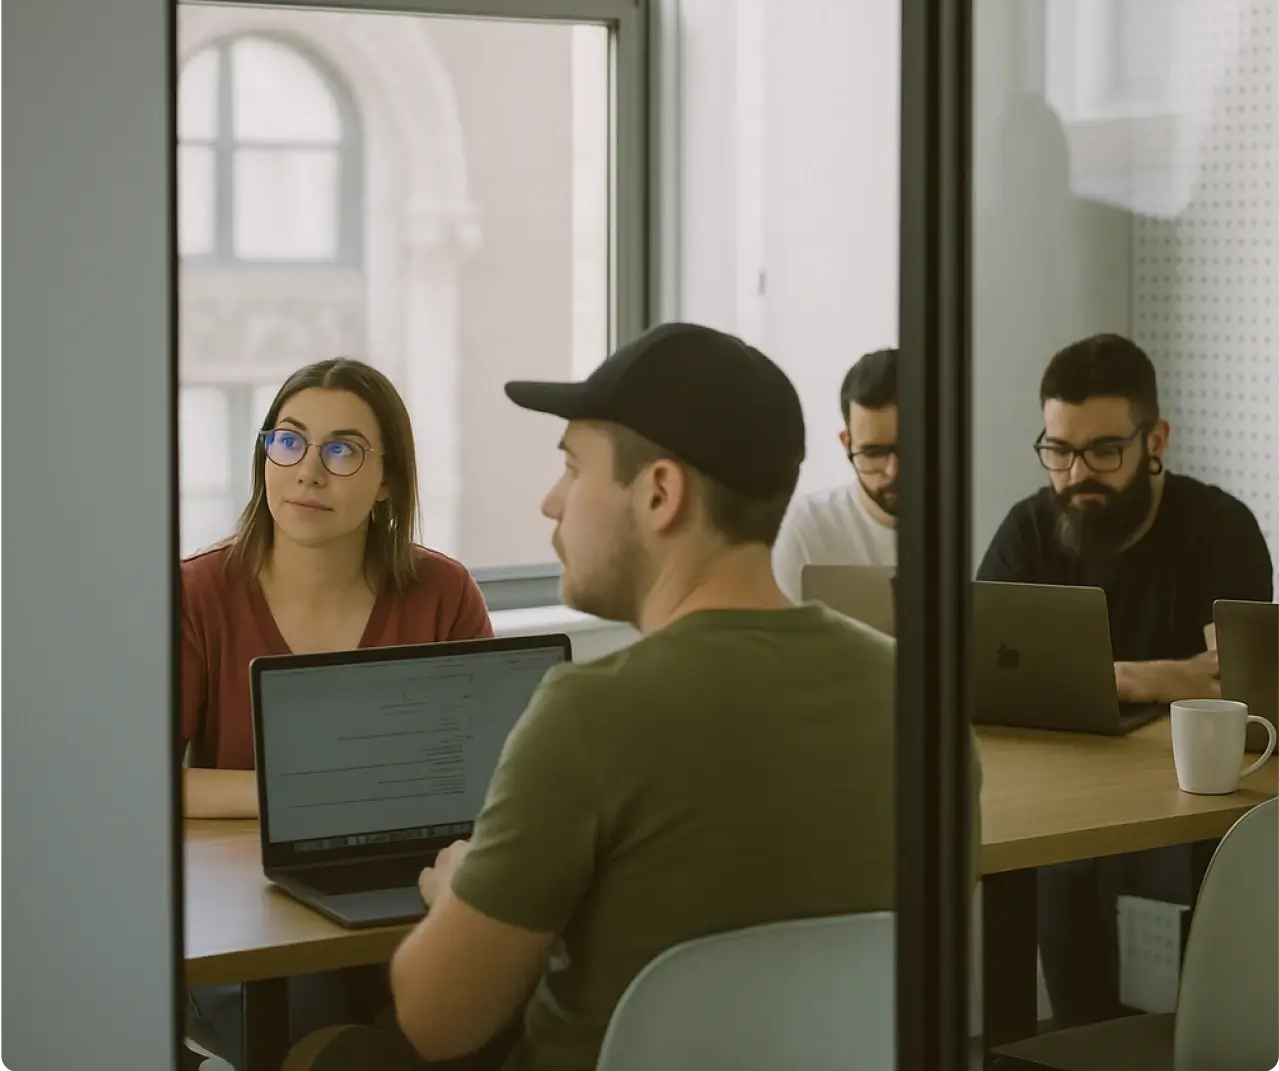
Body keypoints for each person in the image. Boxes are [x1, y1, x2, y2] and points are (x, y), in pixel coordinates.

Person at [282, 322, 916, 1071]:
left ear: (658, 492)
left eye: (572, 467)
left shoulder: (589, 714)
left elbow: (435, 1019)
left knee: (335, 1054)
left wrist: (459, 887)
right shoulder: (918, 700)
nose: (551, 502)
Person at [183, 357, 492, 1062]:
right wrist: (305, 806)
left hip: (418, 880)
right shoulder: (197, 593)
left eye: (343, 449)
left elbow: (485, 775)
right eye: (287, 440)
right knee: (313, 1008)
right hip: (255, 902)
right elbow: (143, 781)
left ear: (387, 479)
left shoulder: (443, 589)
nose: (307, 471)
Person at [977, 332, 1272, 1029]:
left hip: (1186, 793)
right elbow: (983, 672)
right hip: (1060, 790)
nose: (1077, 473)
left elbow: (1235, 691)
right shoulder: (1028, 528)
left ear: (1154, 438)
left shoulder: (1219, 529)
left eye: (1103, 451)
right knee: (1059, 877)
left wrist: (1093, 679)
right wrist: (1157, 676)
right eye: (1058, 450)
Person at [771, 348, 898, 600]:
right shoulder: (806, 527)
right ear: (847, 444)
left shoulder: (968, 525)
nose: (893, 471)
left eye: (911, 449)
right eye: (873, 453)